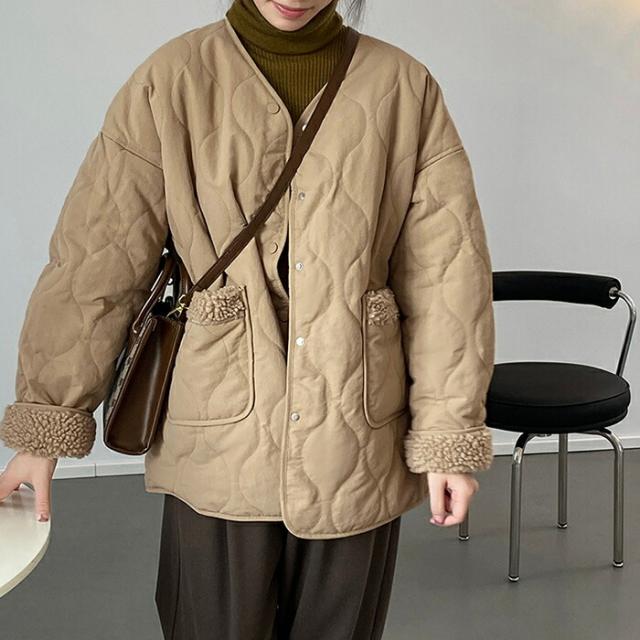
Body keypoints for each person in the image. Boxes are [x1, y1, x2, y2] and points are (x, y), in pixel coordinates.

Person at [0, 1, 496, 638]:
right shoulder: (172, 79)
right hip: (217, 426)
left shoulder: (404, 86)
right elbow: (97, 260)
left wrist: (448, 435)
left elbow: (447, 276)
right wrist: (44, 427)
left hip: (353, 428)